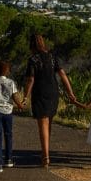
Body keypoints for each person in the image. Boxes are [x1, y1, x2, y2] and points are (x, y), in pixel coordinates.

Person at [22, 33, 78, 168]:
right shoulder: (52, 56)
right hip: (53, 92)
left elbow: (30, 80)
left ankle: (45, 156)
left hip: (40, 93)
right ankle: (46, 154)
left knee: (43, 125)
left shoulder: (33, 60)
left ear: (31, 45)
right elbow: (62, 74)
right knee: (49, 123)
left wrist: (25, 97)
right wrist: (70, 92)